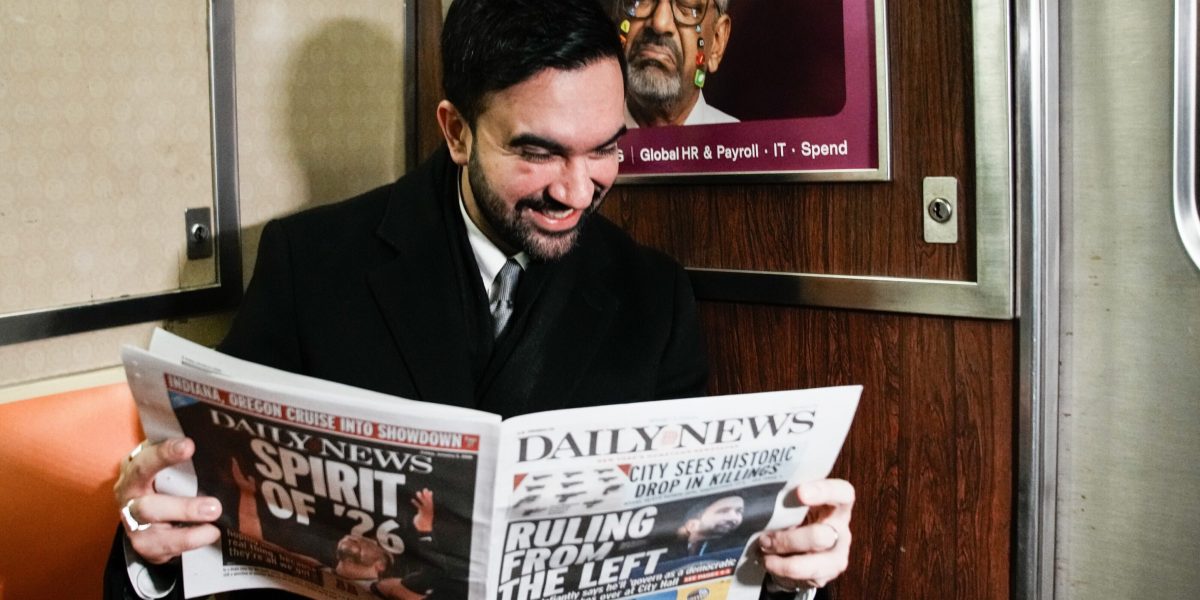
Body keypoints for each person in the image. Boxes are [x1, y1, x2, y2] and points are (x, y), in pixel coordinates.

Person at [105, 0, 853, 598]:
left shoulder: (652, 297)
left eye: (604, 148)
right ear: (457, 132)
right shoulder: (313, 265)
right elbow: (220, 519)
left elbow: (689, 558)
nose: (576, 189)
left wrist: (786, 571)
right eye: (538, 151)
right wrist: (155, 551)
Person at [618, 0, 737, 127]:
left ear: (717, 41)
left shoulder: (742, 144)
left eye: (686, 6)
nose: (660, 23)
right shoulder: (594, 131)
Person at [673, 494, 746, 557]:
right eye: (723, 511)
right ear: (692, 525)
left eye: (739, 511)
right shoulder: (673, 552)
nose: (733, 518)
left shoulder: (741, 547)